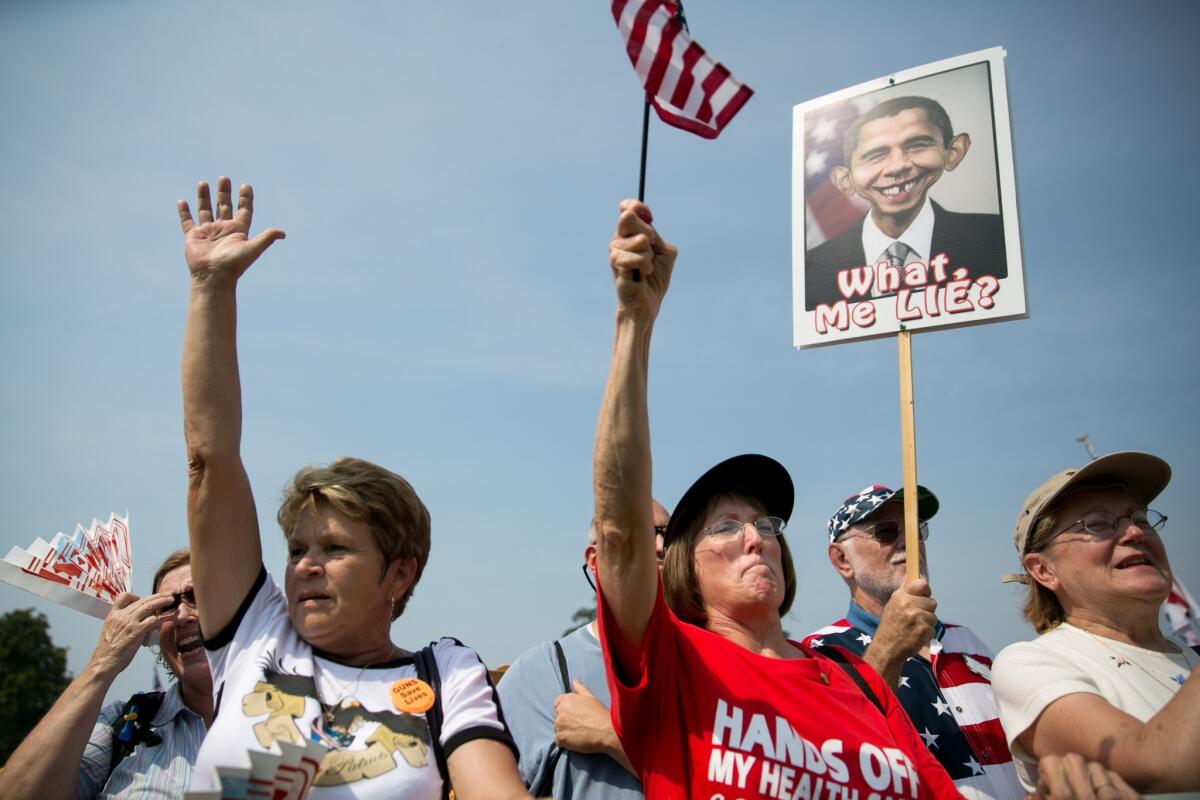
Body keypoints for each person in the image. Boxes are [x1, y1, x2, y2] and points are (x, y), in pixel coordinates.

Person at [592, 198, 961, 798]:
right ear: (682, 562)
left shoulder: (855, 682)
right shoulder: (670, 663)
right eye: (725, 526)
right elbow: (620, 531)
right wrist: (634, 324)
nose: (755, 536)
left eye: (765, 523)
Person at [175, 177, 530, 800]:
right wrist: (211, 287)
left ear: (399, 575)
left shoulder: (446, 674)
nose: (306, 566)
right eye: (296, 551)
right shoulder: (255, 628)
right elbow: (210, 460)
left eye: (335, 550)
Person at [992, 451, 1200, 794]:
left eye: (1141, 518)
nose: (1135, 532)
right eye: (1098, 523)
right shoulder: (1032, 664)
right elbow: (1154, 764)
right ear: (1043, 570)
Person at [804, 484, 1022, 798]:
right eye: (886, 531)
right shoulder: (821, 651)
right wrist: (886, 652)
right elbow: (832, 749)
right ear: (841, 560)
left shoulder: (968, 640)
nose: (908, 541)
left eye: (915, 528)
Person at [0, 549, 212, 799]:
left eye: (196, 596)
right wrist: (103, 662)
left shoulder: (269, 717)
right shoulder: (122, 725)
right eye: (166, 607)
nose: (181, 616)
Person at [499, 501, 668, 800]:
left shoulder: (713, 668)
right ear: (595, 560)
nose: (660, 546)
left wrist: (611, 736)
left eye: (671, 535)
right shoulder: (541, 674)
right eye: (640, 532)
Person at [804, 95, 1007, 309]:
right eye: (876, 155)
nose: (897, 166)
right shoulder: (816, 269)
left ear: (954, 151)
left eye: (917, 145)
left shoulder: (995, 238)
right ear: (845, 180)